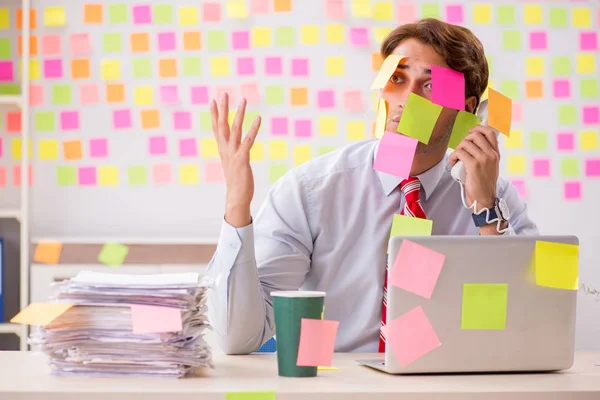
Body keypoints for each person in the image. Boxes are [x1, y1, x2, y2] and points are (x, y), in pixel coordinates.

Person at [205, 18, 538, 355]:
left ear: (467, 110)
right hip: (334, 382)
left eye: (431, 86)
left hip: (444, 382)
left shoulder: (495, 198)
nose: (407, 99)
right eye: (397, 78)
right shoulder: (310, 191)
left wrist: (485, 210)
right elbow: (239, 338)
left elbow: (526, 329)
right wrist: (237, 204)